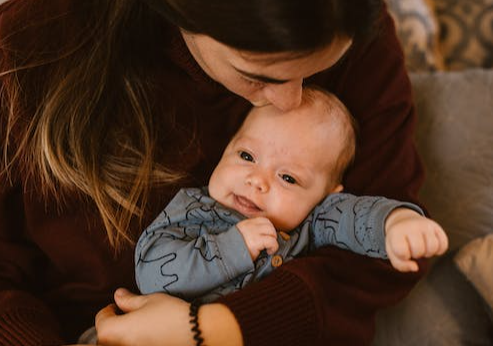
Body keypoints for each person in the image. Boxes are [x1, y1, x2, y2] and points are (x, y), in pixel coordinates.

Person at [0, 0, 431, 345]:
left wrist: (219, 329)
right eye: (257, 75)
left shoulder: (351, 17)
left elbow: (383, 248)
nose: (290, 101)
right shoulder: (33, 39)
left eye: (316, 72)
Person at [79, 87, 447, 345]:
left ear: (324, 196)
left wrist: (396, 222)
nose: (257, 180)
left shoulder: (312, 223)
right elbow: (154, 271)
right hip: (137, 336)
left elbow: (356, 215)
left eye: (288, 177)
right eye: (246, 156)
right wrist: (233, 247)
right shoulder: (194, 208)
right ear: (226, 149)